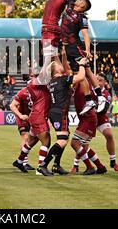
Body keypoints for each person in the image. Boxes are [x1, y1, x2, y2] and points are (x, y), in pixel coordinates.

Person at [59, 0, 106, 115]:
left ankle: (100, 97)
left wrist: (87, 50)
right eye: (80, 0)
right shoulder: (70, 3)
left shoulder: (82, 18)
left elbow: (86, 34)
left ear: (83, 7)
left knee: (86, 70)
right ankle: (89, 99)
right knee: (80, 75)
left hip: (76, 46)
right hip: (67, 47)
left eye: (82, 2)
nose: (79, 0)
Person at [39, 47, 87, 175]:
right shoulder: (62, 79)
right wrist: (82, 64)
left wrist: (62, 55)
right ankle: (44, 165)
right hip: (60, 112)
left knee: (63, 138)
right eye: (58, 64)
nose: (60, 65)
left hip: (54, 112)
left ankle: (56, 165)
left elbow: (63, 66)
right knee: (62, 141)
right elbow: (81, 77)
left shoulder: (53, 81)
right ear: (57, 70)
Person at [72, 73, 118, 173]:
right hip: (90, 118)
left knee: (109, 135)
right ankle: (76, 164)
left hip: (100, 118)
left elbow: (103, 110)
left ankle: (113, 161)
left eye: (100, 80)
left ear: (105, 82)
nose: (98, 81)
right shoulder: (89, 88)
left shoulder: (106, 94)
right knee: (82, 143)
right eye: (96, 79)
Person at [10, 81, 34, 171]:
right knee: (26, 137)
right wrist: (20, 116)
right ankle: (24, 162)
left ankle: (21, 161)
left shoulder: (39, 92)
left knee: (32, 139)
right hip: (22, 118)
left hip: (32, 118)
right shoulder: (22, 92)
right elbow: (12, 105)